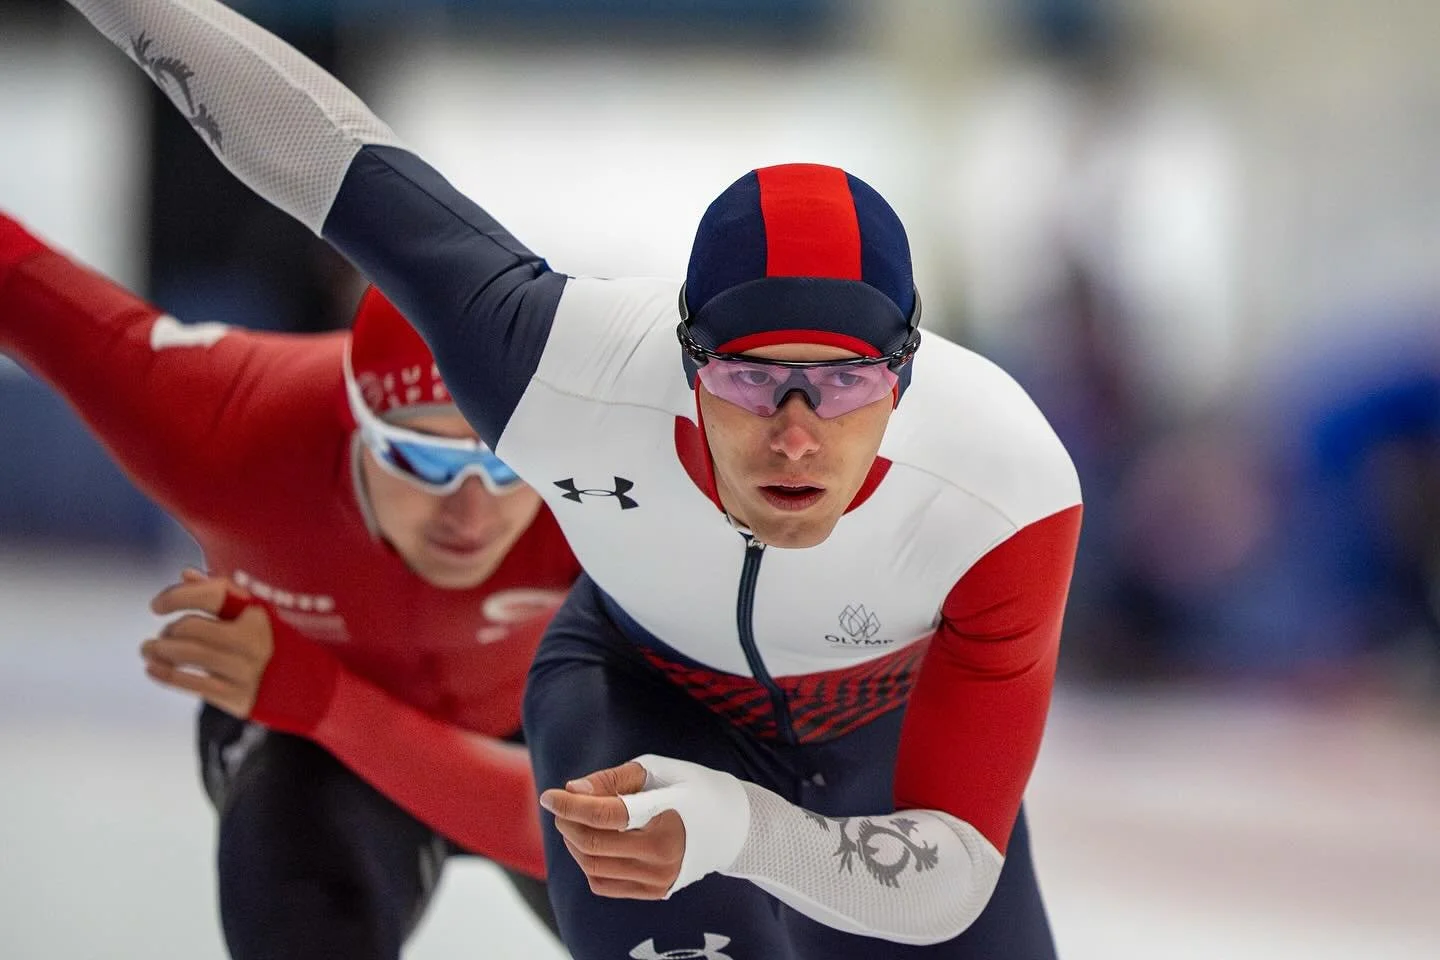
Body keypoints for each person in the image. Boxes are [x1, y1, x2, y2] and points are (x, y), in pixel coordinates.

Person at [64, 2, 1084, 956]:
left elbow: (953, 873)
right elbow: (325, 151)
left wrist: (739, 824)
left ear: (904, 377)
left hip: (878, 754)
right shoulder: (566, 368)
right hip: (638, 699)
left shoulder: (1005, 492)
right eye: (749, 379)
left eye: (845, 383)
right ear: (686, 363)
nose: (796, 435)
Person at [0, 211, 581, 959]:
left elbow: (561, 834)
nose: (471, 509)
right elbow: (22, 283)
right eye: (424, 461)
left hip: (530, 719)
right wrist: (312, 704)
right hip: (301, 741)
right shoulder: (226, 418)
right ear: (357, 426)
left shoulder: (621, 473)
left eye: (509, 464)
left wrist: (321, 692)